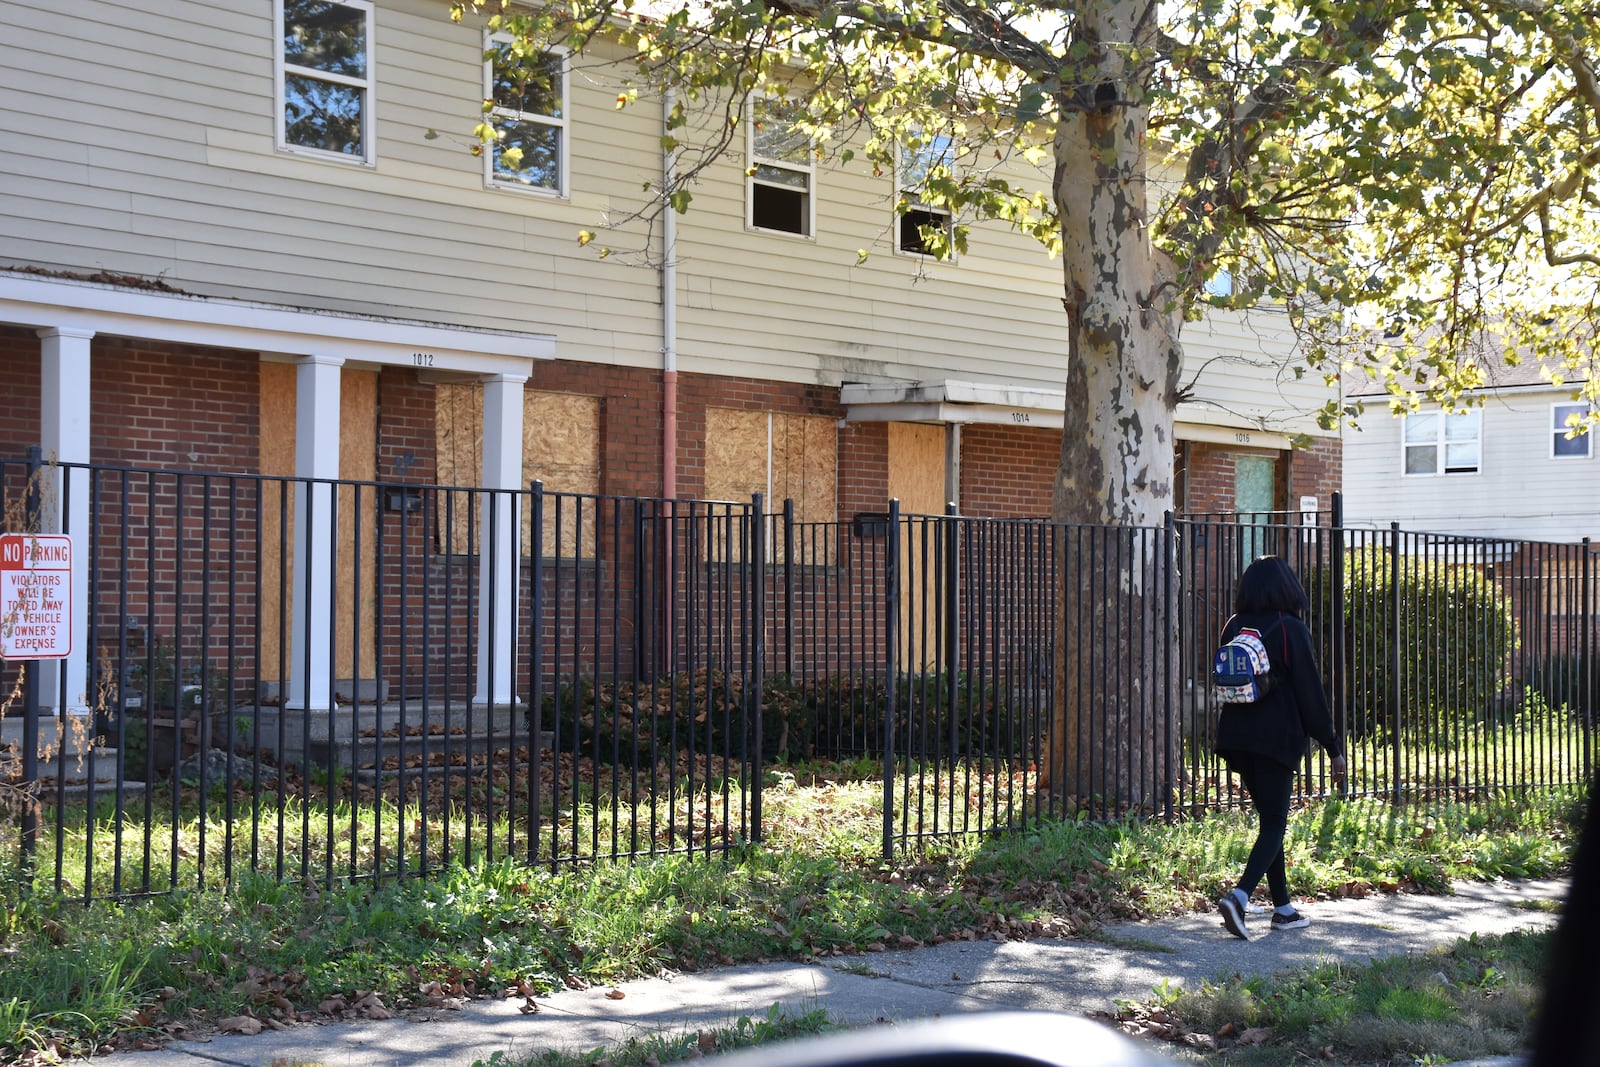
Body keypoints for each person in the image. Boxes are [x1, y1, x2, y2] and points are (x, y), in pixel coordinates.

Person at [1214, 555, 1346, 940]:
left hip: (1236, 738)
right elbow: (1311, 694)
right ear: (1286, 586)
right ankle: (1238, 898)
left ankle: (1283, 909)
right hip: (1275, 740)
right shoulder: (1291, 628)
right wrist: (1332, 746)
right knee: (1275, 824)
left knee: (1271, 821)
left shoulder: (1233, 626)